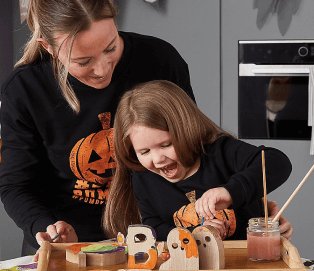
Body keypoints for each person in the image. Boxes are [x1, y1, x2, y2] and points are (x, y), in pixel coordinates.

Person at [0, 0, 195, 256]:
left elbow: (196, 149)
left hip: (160, 238)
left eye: (110, 48)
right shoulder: (25, 89)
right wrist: (45, 228)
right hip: (71, 247)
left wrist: (241, 200)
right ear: (48, 47)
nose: (102, 70)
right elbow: (15, 184)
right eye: (83, 61)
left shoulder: (159, 60)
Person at [104, 80, 293, 242]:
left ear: (186, 130)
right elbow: (153, 226)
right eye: (144, 151)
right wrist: (194, 235)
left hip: (248, 263)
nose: (158, 159)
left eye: (166, 144)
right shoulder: (143, 177)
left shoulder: (219, 151)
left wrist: (229, 192)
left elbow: (277, 162)